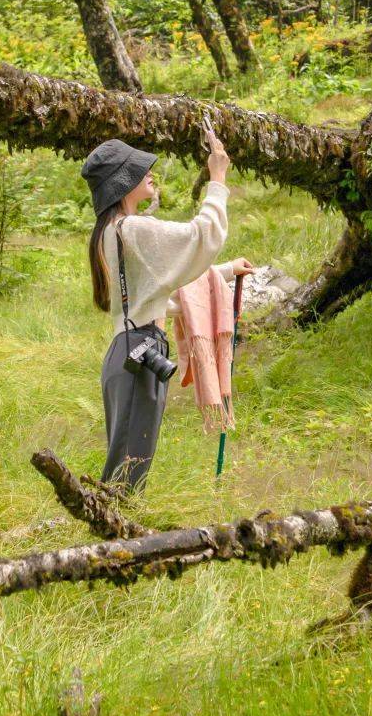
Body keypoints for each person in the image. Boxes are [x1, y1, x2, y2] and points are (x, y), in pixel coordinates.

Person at [80, 126, 254, 490]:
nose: (149, 173)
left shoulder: (112, 231)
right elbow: (202, 235)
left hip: (129, 352)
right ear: (122, 183)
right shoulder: (135, 229)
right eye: (138, 169)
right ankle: (113, 523)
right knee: (128, 472)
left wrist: (225, 271)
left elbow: (161, 288)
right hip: (141, 351)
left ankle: (114, 520)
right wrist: (217, 178)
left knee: (129, 463)